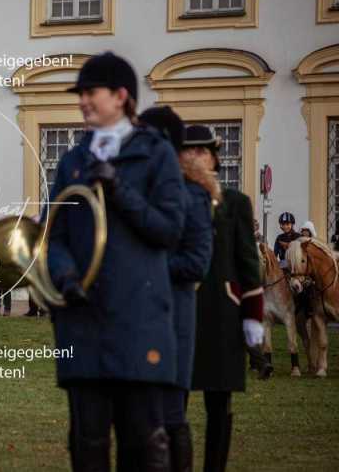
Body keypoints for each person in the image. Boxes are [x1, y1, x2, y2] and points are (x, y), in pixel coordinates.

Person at [46, 52, 186, 471]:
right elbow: (53, 234)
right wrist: (65, 276)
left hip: (138, 322)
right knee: (86, 445)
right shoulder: (73, 160)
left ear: (121, 96)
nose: (83, 101)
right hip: (82, 323)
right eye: (81, 94)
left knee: (141, 447)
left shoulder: (156, 154)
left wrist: (119, 188)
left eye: (91, 92)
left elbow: (168, 229)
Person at [140, 106, 217, 472]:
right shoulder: (144, 191)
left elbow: (195, 264)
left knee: (171, 415)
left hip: (174, 318)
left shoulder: (193, 196)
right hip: (137, 319)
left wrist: (141, 268)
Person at [187, 125, 265, 472]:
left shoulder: (236, 203)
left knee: (219, 403)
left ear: (214, 156)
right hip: (182, 312)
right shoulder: (173, 200)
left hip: (222, 313)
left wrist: (252, 316)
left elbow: (248, 261)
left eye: (202, 151)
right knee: (173, 403)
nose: (196, 158)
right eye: (188, 152)